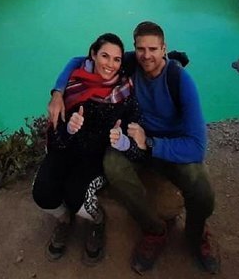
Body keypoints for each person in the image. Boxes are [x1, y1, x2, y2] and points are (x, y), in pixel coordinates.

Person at [47, 21, 220, 274]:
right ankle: (154, 230)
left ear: (164, 49)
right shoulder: (132, 63)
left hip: (168, 146)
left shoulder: (180, 81)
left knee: (203, 191)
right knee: (113, 166)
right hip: (133, 141)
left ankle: (196, 234)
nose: (146, 55)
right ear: (135, 49)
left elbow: (196, 147)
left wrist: (150, 144)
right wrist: (58, 92)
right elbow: (78, 60)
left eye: (153, 49)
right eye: (141, 48)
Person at [32, 32, 145, 266]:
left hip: (96, 158)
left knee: (77, 197)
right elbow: (56, 138)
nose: (110, 65)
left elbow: (138, 150)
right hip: (66, 150)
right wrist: (69, 130)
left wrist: (122, 142)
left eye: (116, 59)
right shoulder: (72, 85)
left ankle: (97, 222)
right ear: (93, 54)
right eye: (105, 56)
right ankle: (64, 220)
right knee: (41, 192)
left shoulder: (125, 94)